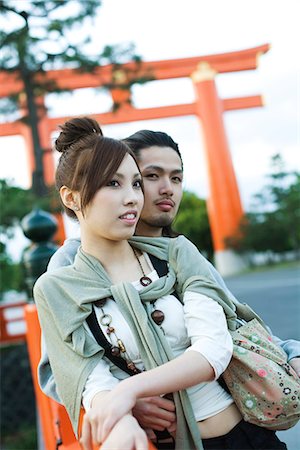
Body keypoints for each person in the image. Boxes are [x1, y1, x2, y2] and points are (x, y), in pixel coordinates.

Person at [34, 116, 288, 450]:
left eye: (137, 183)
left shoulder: (178, 253)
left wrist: (127, 392)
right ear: (71, 197)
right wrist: (119, 410)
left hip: (242, 436)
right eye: (114, 183)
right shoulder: (61, 279)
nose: (133, 197)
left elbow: (222, 339)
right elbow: (78, 373)